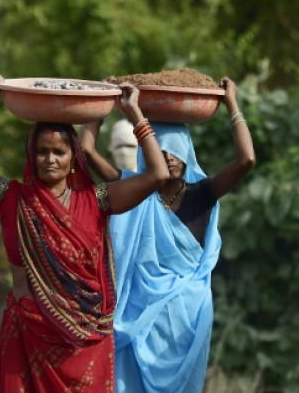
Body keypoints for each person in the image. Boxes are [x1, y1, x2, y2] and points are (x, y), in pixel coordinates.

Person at [0, 74, 169, 392]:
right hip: (27, 339)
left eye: (59, 152)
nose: (50, 159)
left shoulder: (97, 200)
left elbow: (158, 174)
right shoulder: (12, 198)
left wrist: (135, 114)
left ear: (74, 159)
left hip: (85, 343)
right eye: (42, 151)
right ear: (32, 155)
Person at [79, 77, 256, 393]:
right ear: (147, 153)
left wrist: (232, 103)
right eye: (161, 150)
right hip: (136, 317)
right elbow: (86, 151)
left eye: (176, 149)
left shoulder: (202, 194)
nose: (170, 157)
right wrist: (103, 101)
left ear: (187, 152)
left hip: (186, 320)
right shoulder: (132, 190)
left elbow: (247, 160)